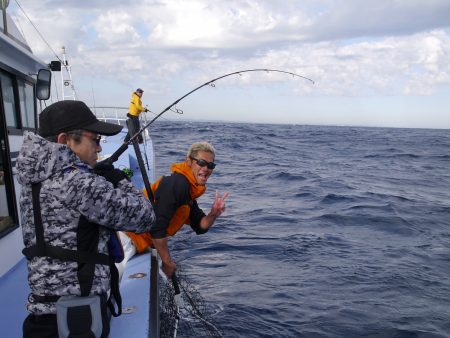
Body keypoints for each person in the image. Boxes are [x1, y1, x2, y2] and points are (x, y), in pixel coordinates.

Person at [16, 100, 156, 338]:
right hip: (78, 321)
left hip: (42, 315)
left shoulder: (32, 179)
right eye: (95, 140)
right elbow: (145, 217)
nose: (99, 149)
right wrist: (118, 179)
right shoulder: (78, 183)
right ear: (64, 141)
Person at [126, 142, 229, 279]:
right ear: (189, 161)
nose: (206, 168)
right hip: (126, 240)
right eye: (201, 162)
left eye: (210, 165)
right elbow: (156, 227)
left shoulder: (189, 192)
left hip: (138, 244)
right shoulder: (177, 184)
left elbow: (200, 226)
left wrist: (213, 214)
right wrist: (167, 262)